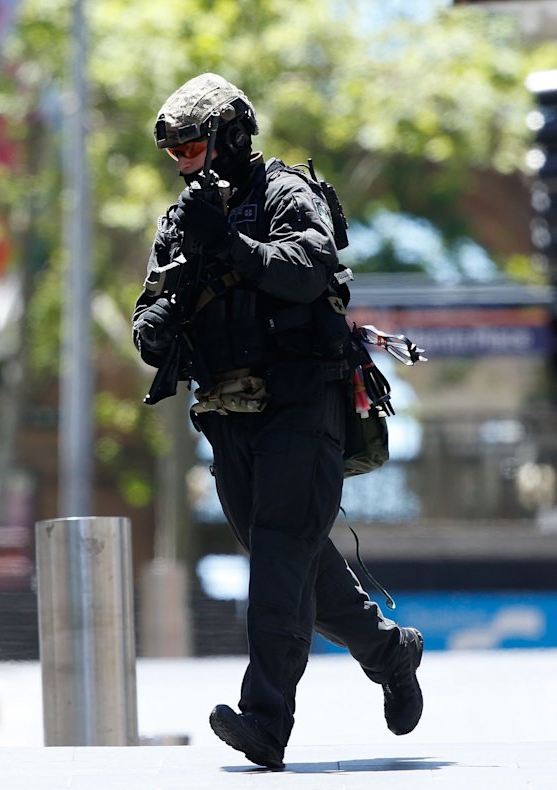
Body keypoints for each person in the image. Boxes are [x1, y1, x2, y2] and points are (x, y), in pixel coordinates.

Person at [132, 73, 423, 770]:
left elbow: (305, 267)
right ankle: (389, 650)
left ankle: (266, 720)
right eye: (174, 153)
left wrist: (228, 250)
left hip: (301, 402)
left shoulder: (288, 193)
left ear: (231, 134)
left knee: (279, 557)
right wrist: (172, 309)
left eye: (193, 145)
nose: (184, 162)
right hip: (228, 418)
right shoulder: (179, 222)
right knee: (286, 560)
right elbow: (145, 329)